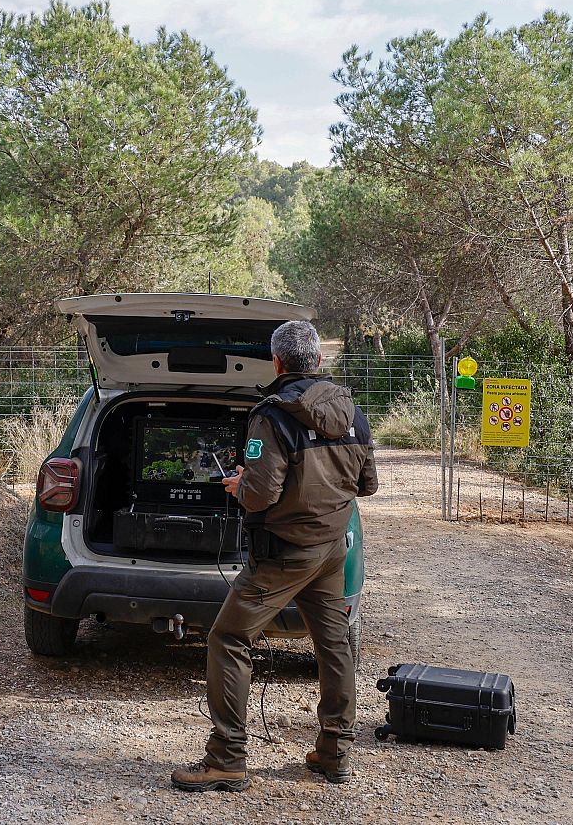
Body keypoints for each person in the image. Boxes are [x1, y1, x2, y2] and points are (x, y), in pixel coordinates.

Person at [171, 320, 379, 792]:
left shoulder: (272, 416)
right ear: (319, 360)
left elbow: (261, 494)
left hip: (283, 553)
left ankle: (226, 758)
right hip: (330, 551)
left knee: (228, 639)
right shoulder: (353, 413)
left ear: (277, 363)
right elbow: (367, 484)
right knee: (334, 644)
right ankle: (335, 754)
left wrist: (240, 485)